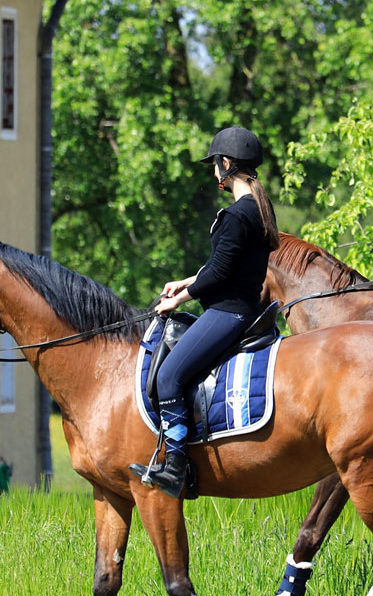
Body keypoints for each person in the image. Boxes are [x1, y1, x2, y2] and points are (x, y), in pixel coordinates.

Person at [133, 126, 280, 498]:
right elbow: (226, 266)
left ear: (226, 164)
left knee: (168, 376)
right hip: (246, 308)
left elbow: (219, 273)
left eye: (216, 164)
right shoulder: (258, 210)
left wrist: (177, 301)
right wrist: (186, 282)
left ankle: (176, 464)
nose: (214, 171)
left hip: (228, 313)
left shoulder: (235, 215)